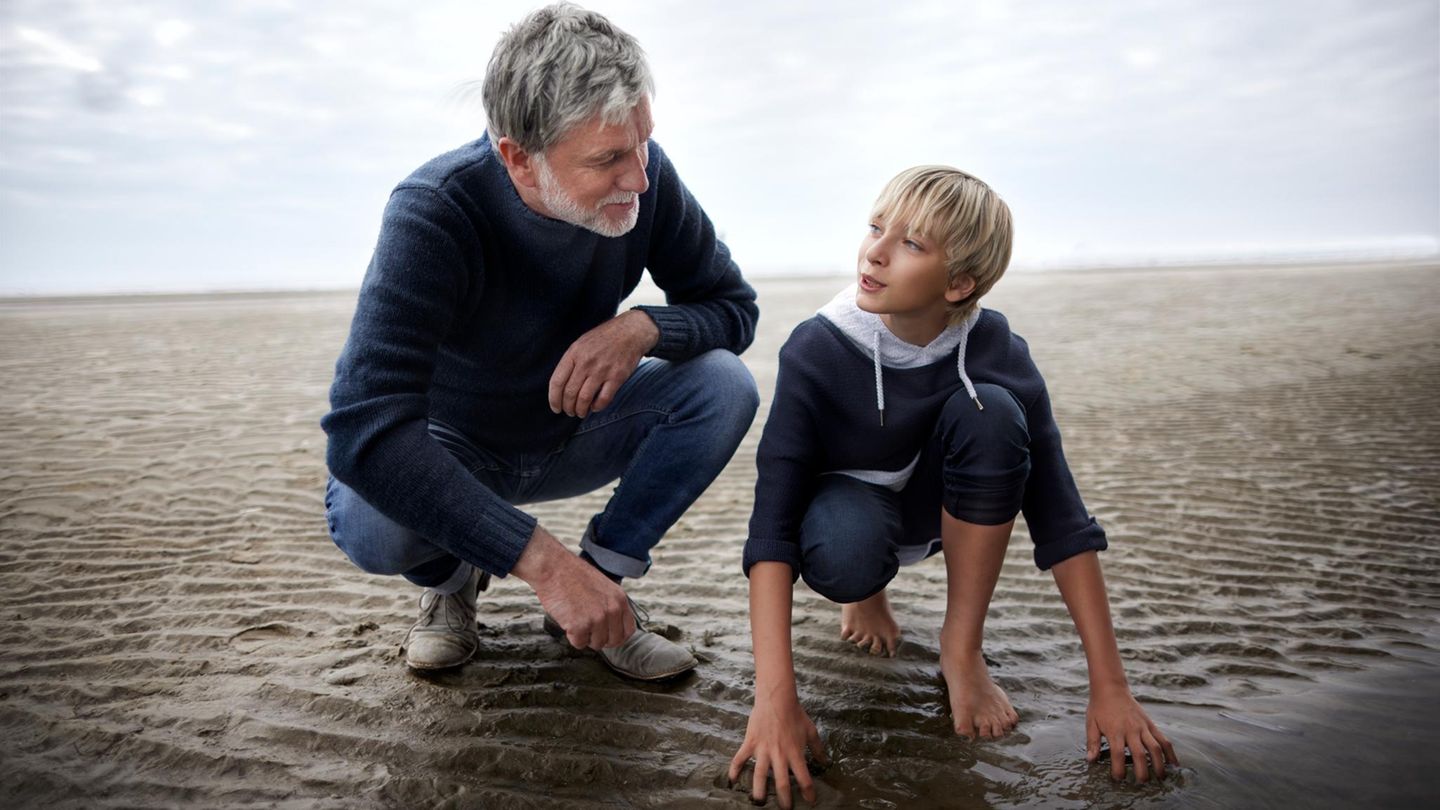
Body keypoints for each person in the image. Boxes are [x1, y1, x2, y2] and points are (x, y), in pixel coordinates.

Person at [321, 2, 759, 682]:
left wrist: (644, 326)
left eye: (642, 142)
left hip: (573, 429)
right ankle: (451, 582)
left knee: (724, 383)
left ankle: (600, 588)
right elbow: (361, 426)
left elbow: (734, 310)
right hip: (454, 450)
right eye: (609, 158)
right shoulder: (435, 210)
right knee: (376, 524)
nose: (638, 177)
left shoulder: (648, 178)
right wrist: (543, 563)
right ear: (519, 160)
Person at [727, 166, 1178, 806]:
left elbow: (1060, 515)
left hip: (943, 510)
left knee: (994, 413)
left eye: (911, 244)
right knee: (848, 552)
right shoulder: (816, 350)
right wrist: (774, 704)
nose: (875, 253)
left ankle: (961, 650)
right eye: (877, 228)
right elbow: (771, 525)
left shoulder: (996, 347)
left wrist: (1110, 687)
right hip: (849, 516)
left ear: (960, 283)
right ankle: (869, 591)